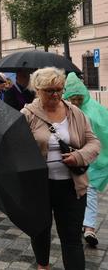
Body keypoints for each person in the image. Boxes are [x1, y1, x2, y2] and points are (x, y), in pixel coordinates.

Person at [22, 67, 100, 269]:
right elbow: (16, 149)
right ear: (37, 90)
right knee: (40, 231)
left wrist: (78, 156)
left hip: (72, 187)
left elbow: (94, 143)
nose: (56, 94)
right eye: (50, 90)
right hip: (40, 187)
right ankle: (43, 266)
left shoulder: (75, 113)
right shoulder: (27, 114)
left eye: (59, 89)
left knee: (72, 239)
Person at [63, 72, 108, 248]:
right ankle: (85, 225)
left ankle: (89, 227)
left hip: (95, 159)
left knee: (89, 191)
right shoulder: (71, 110)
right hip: (81, 158)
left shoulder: (92, 110)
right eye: (72, 99)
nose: (75, 102)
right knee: (83, 191)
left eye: (77, 98)